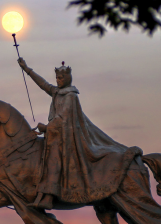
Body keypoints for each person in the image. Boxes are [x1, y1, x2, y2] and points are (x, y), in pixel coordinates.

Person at [17, 58, 142, 209]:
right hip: (56, 135)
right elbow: (43, 84)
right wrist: (27, 69)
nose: (58, 80)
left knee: (54, 158)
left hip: (67, 138)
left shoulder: (70, 96)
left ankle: (49, 196)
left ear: (68, 78)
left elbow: (62, 118)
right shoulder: (57, 92)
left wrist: (46, 128)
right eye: (57, 78)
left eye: (61, 78)